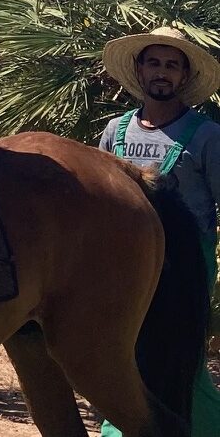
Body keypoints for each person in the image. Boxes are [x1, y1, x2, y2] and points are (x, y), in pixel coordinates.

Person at [97, 26, 220, 437]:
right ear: (140, 70)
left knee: (185, 364)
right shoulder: (115, 131)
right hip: (123, 263)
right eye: (154, 63)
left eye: (172, 65)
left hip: (186, 266)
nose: (162, 72)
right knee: (123, 354)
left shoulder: (207, 136)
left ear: (184, 76)